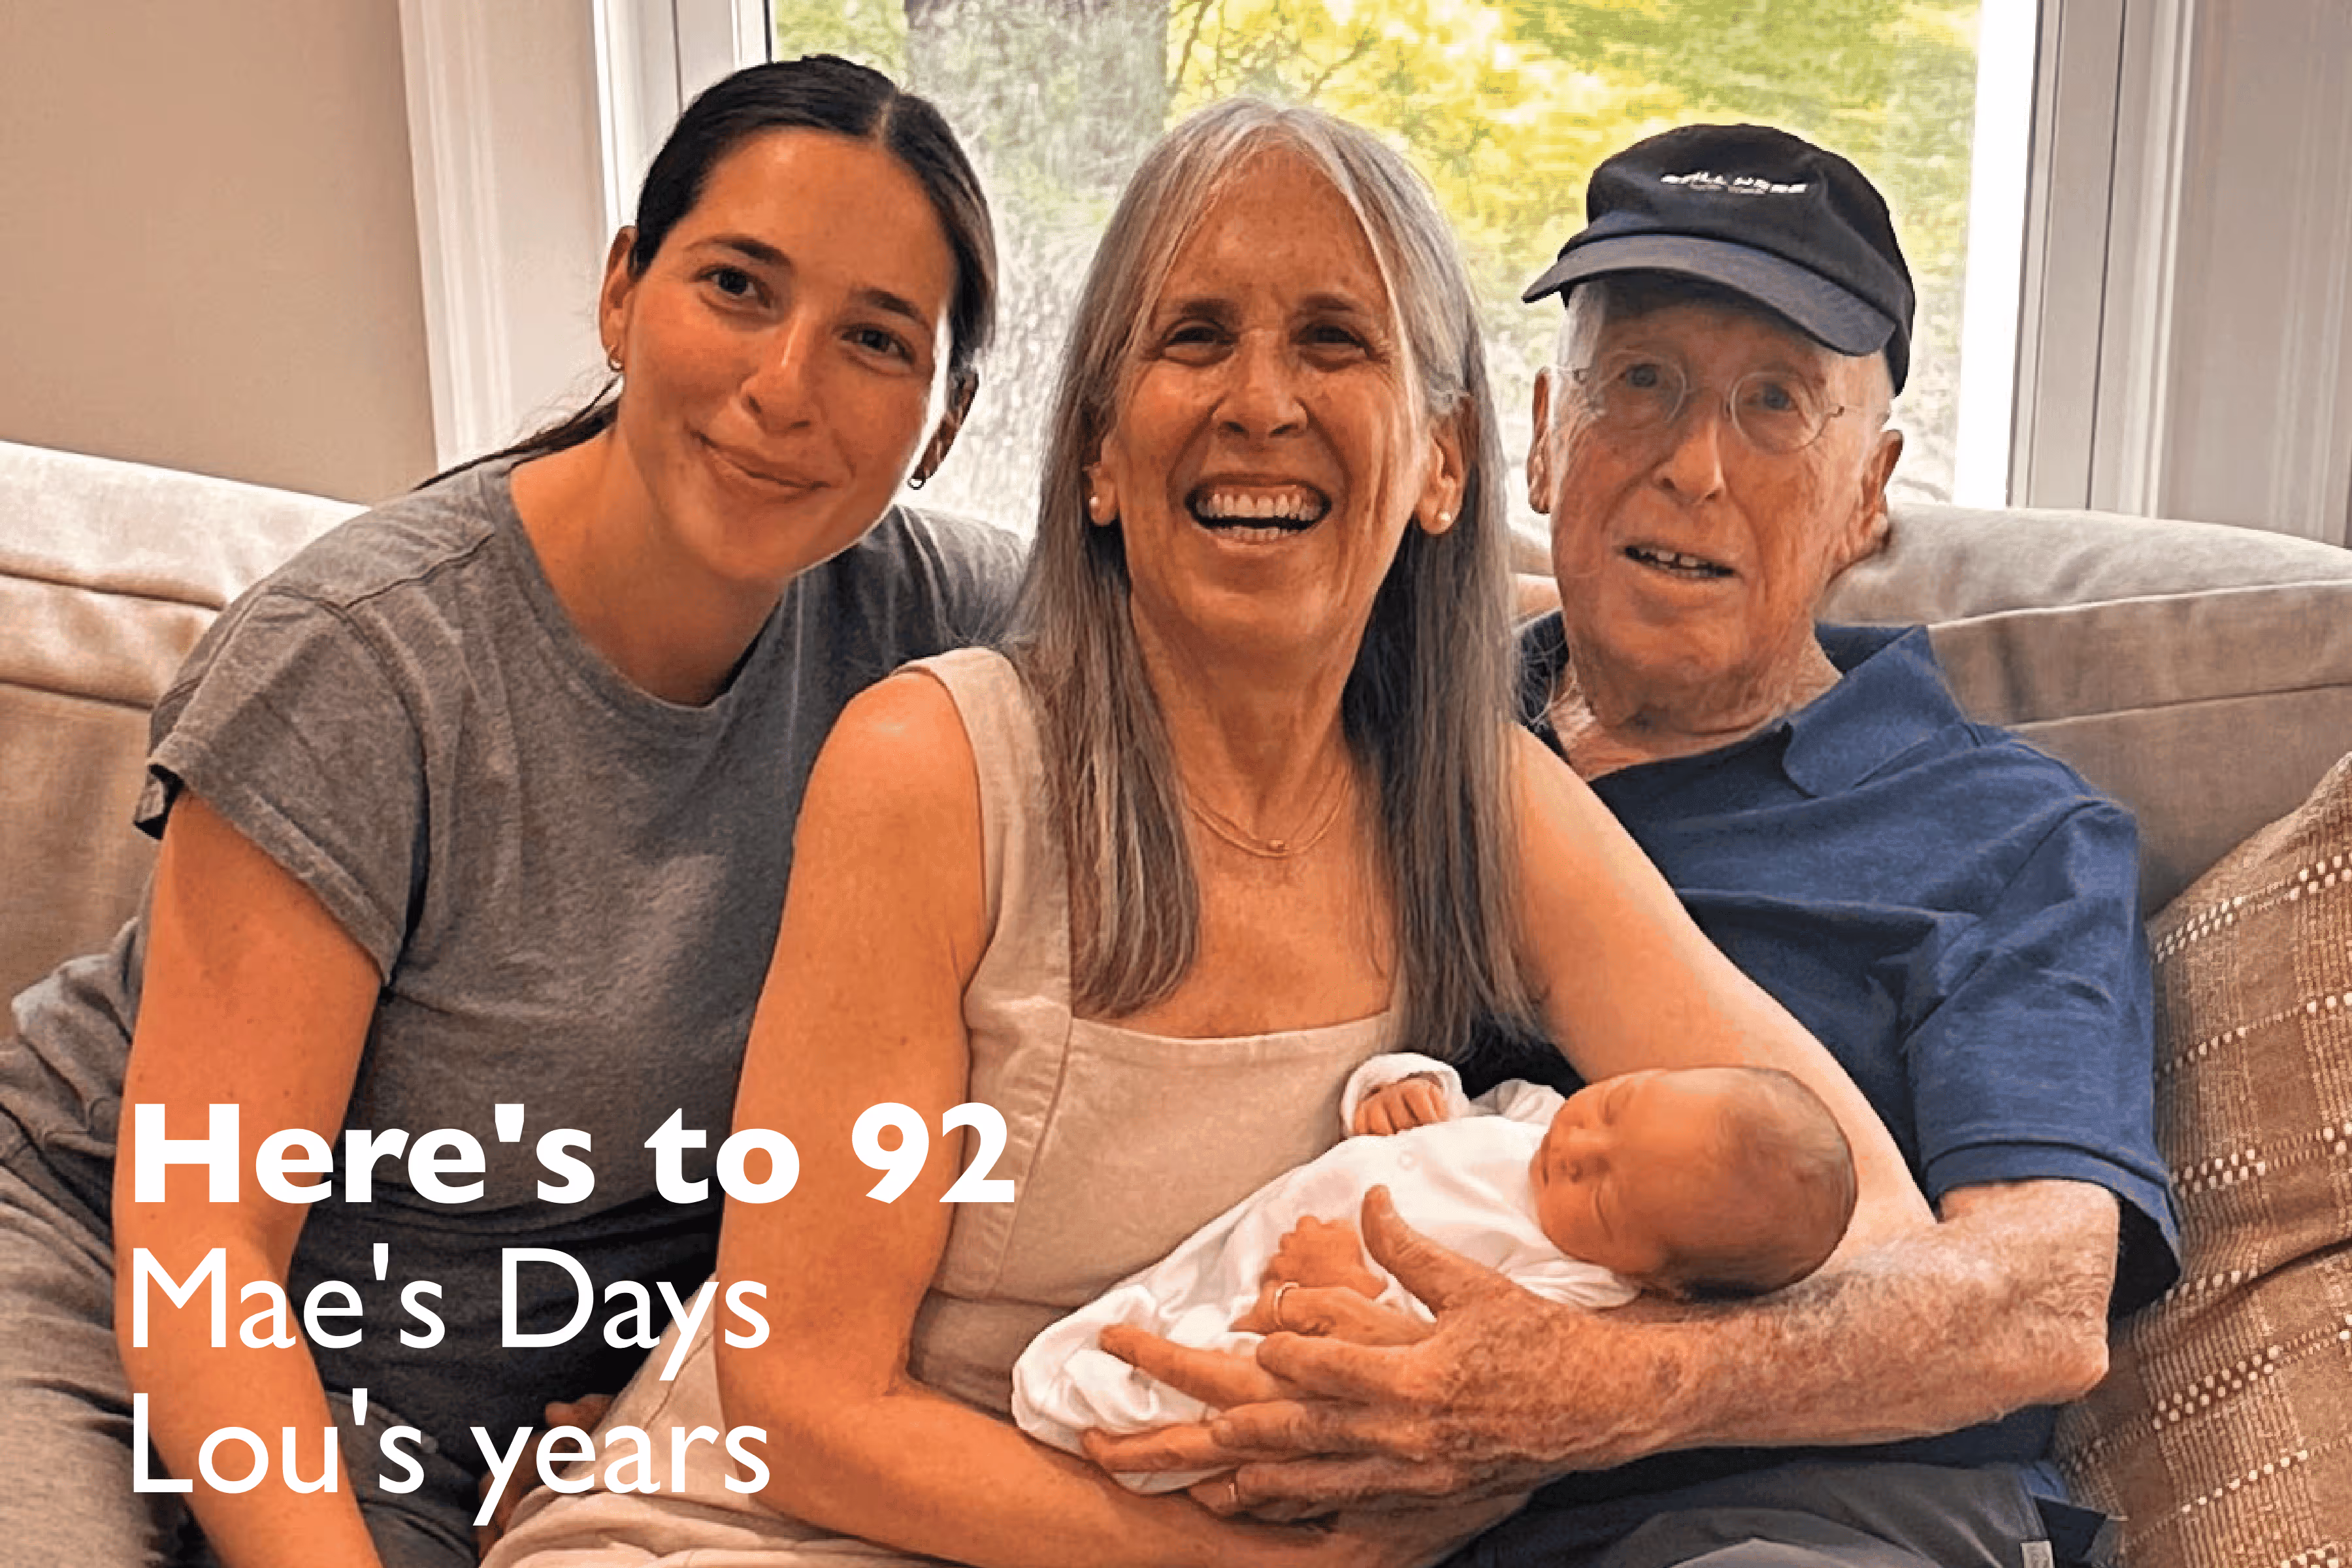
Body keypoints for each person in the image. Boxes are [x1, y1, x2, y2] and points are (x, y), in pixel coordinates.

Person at [483, 101, 1927, 1568]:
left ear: (1442, 464)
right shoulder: (933, 768)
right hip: (756, 1533)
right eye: (1193, 337)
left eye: (1332, 340)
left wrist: (1576, 1390)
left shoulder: (1481, 803)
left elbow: (1876, 1218)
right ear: (1101, 455)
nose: (1258, 400)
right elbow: (801, 1404)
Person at [1086, 123, 2178, 1568]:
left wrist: (1602, 1388)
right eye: (1641, 384)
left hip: (1796, 1520)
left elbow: (2034, 1303)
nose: (1693, 467)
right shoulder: (1367, 730)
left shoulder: (2012, 837)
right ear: (1541, 435)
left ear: (1872, 492)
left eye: (1777, 405)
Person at [0, 56, 1019, 1567]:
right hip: (99, 1285)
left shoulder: (939, 621)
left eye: (877, 339)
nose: (787, 386)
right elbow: (201, 1254)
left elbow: (1262, 645)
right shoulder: (364, 660)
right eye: (737, 284)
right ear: (622, 292)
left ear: (943, 422)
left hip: (466, 1426)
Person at [1013, 1053, 1855, 1490]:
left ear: (1659, 1282)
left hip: (1288, 1300)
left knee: (1203, 1383)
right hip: (1253, 1228)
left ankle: (1107, 1416)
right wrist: (1396, 1088)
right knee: (1158, 1300)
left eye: (1601, 1197)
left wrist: (1346, 1286)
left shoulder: (1574, 1288)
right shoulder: (1541, 1115)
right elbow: (1456, 1110)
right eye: (1613, 1107)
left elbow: (1426, 1362)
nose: (1578, 1148)